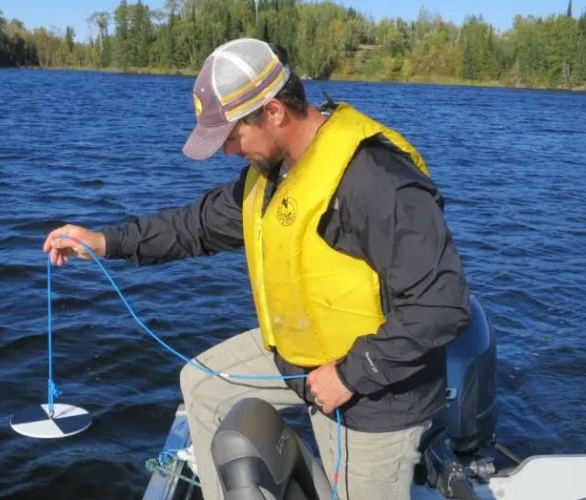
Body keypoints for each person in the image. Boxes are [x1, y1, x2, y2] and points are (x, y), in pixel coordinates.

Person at [42, 38, 471, 500]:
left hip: (377, 395)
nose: (227, 152)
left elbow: (441, 305)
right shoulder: (273, 172)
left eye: (231, 136)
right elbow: (195, 225)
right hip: (300, 359)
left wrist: (348, 375)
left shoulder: (376, 181)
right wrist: (106, 242)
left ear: (272, 112)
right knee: (202, 386)